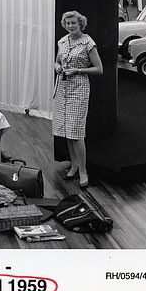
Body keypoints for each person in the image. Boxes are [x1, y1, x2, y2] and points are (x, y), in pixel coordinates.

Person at [53, 11, 104, 189]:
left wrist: (78, 70)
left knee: (77, 132)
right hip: (62, 88)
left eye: (73, 23)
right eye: (67, 23)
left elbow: (99, 69)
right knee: (67, 130)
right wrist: (58, 68)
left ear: (80, 24)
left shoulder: (88, 43)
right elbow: (57, 62)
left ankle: (83, 170)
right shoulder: (63, 41)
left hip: (79, 89)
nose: (70, 26)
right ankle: (74, 165)